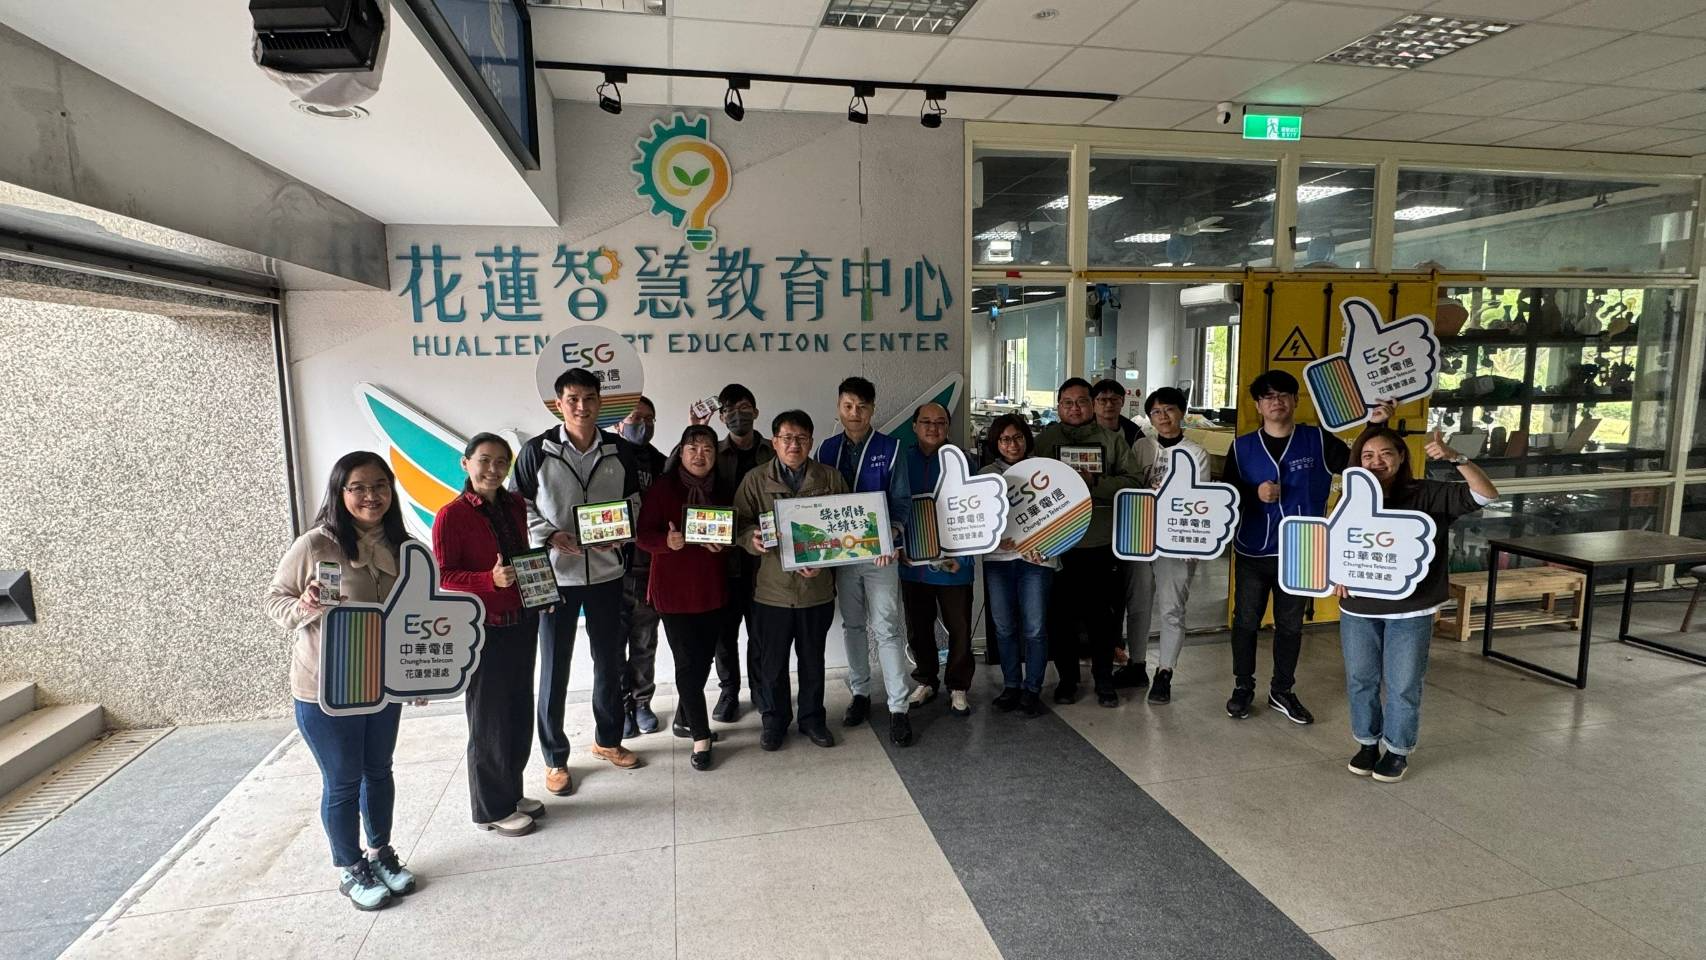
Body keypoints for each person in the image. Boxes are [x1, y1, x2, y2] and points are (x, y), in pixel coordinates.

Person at [264, 452, 417, 911]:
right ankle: (351, 868)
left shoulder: (404, 546)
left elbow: (415, 614)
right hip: (325, 688)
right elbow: (275, 601)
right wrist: (306, 606)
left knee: (379, 771)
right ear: (340, 492)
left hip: (381, 684)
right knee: (343, 780)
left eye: (380, 485)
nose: (371, 496)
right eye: (359, 487)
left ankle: (380, 853)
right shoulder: (315, 545)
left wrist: (417, 677)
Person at [513, 368, 646, 796]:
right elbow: (518, 506)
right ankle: (555, 758)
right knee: (555, 668)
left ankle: (608, 740)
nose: (582, 407)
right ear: (558, 404)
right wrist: (550, 535)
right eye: (572, 399)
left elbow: (634, 501)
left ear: (600, 402)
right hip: (555, 576)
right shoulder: (537, 451)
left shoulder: (619, 450)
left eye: (589, 398)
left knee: (609, 662)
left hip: (607, 572)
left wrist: (622, 530)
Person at [1338, 422, 1496, 783]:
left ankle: (1397, 750)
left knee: (1403, 684)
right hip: (1359, 607)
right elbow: (1336, 542)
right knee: (1360, 680)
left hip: (1411, 609)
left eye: (1385, 454)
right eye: (1367, 455)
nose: (1376, 461)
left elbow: (1486, 495)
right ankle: (1367, 743)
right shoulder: (1351, 498)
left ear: (1401, 457)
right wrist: (1335, 574)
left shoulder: (1427, 493)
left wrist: (1456, 458)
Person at [1221, 370, 1366, 725]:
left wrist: (1375, 423)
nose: (1276, 402)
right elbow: (1225, 495)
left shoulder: (1318, 440)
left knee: (1290, 625)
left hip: (1303, 549)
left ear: (1295, 401)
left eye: (1283, 395)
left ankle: (1282, 690)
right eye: (1268, 396)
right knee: (1246, 621)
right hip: (1253, 549)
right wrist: (1253, 493)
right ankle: (1243, 687)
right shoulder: (1241, 447)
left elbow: (1359, 466)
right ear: (1258, 405)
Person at [432, 434, 543, 837]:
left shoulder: (514, 504)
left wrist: (541, 592)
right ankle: (490, 808)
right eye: (485, 460)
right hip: (484, 629)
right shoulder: (451, 515)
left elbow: (523, 556)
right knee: (489, 718)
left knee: (517, 712)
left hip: (522, 620)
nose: (493, 469)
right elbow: (444, 576)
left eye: (501, 462)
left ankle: (511, 792)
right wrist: (488, 580)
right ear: (466, 464)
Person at [734, 410, 848, 752]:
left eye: (801, 438)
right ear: (774, 442)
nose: (793, 445)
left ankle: (812, 719)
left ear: (811, 442)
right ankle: (774, 720)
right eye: (786, 438)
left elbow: (847, 530)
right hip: (772, 592)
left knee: (813, 660)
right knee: (773, 663)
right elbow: (739, 524)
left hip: (816, 590)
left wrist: (825, 562)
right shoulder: (755, 480)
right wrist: (751, 539)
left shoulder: (830, 478)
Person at [1034, 378, 1150, 707]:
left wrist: (1095, 482)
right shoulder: (1044, 442)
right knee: (1061, 619)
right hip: (1057, 545)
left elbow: (1134, 482)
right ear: (1058, 407)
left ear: (1092, 404)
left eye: (1082, 401)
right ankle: (1067, 680)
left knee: (1103, 618)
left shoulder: (1112, 441)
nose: (1075, 408)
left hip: (1100, 543)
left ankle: (1104, 681)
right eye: (1068, 403)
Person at [816, 377, 916, 747]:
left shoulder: (891, 448)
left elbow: (901, 500)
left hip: (881, 555)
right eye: (848, 406)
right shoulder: (826, 450)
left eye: (862, 406)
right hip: (842, 556)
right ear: (839, 408)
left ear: (872, 409)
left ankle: (898, 707)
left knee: (887, 627)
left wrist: (892, 534)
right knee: (853, 625)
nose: (854, 413)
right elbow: (818, 503)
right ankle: (860, 693)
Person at [637, 425, 735, 772]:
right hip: (673, 592)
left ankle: (686, 719)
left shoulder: (722, 489)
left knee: (703, 662)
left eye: (707, 449)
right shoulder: (663, 488)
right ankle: (701, 737)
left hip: (711, 589)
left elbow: (732, 533)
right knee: (686, 665)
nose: (699, 455)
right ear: (680, 452)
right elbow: (642, 535)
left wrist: (724, 545)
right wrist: (666, 543)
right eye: (692, 448)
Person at [1123, 388, 1209, 705]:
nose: (1163, 417)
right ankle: (1136, 665)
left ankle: (1165, 672)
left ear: (1182, 412)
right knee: (1138, 603)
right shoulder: (1141, 447)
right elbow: (1130, 485)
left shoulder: (1196, 453)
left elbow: (1198, 499)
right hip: (1141, 536)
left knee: (1172, 607)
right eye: (1156, 412)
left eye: (1169, 409)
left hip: (1177, 541)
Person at [899, 403, 976, 716]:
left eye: (940, 422)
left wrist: (965, 558)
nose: (933, 428)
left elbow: (978, 512)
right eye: (926, 422)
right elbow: (892, 505)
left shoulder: (963, 460)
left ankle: (958, 686)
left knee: (960, 628)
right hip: (914, 562)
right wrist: (898, 546)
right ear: (914, 426)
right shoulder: (901, 460)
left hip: (955, 562)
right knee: (919, 627)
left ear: (948, 426)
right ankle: (926, 680)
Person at [702, 383, 772, 723]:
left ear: (756, 411)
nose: (736, 415)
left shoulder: (774, 450)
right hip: (722, 559)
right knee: (724, 633)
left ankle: (760, 688)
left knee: (761, 631)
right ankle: (729, 691)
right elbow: (677, 473)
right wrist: (697, 429)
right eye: (728, 410)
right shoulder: (711, 452)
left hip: (765, 559)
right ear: (720, 417)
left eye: (743, 407)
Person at [978, 414, 1053, 718]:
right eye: (1005, 439)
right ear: (996, 443)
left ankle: (1032, 688)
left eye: (1018, 437)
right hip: (998, 562)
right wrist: (995, 540)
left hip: (1036, 561)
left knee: (1035, 628)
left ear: (1027, 438)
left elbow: (1061, 516)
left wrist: (1046, 546)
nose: (1012, 444)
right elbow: (977, 522)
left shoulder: (1045, 471)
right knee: (1004, 626)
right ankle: (1011, 685)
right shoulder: (985, 475)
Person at [615, 397, 667, 739]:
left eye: (650, 419)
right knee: (612, 646)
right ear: (619, 423)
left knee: (645, 642)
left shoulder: (661, 464)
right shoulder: (605, 457)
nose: (643, 425)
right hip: (609, 570)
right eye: (636, 418)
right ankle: (620, 707)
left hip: (647, 569)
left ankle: (642, 702)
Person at [1091, 378, 1144, 447]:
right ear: (1093, 403)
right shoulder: (1082, 432)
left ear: (1123, 401)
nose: (1109, 404)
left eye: (1114, 399)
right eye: (1103, 400)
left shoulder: (1135, 433)